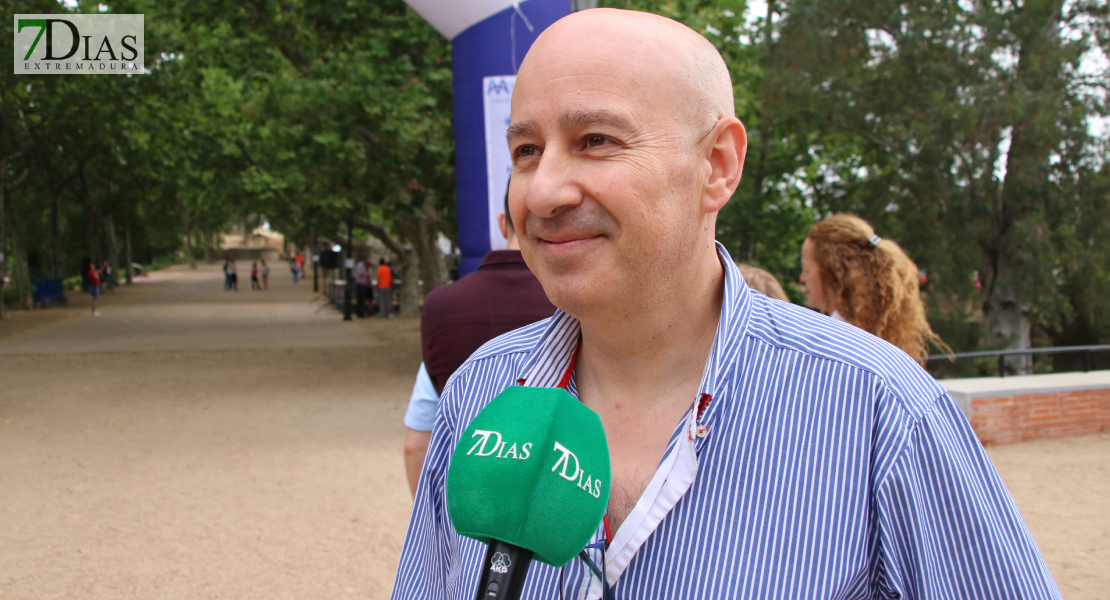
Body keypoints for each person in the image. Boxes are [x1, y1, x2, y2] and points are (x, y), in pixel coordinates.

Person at [391, 9, 1059, 600]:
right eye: (526, 151)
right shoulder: (479, 392)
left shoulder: (883, 412)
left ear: (718, 164)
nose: (543, 193)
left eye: (595, 140)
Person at [404, 190, 556, 495]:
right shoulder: (580, 303)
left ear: (503, 223)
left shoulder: (441, 306)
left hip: (470, 502)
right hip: (562, 500)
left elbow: (417, 442)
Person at [800, 213, 949, 364]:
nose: (802, 278)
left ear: (834, 275)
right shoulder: (888, 340)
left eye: (806, 270)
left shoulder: (833, 343)